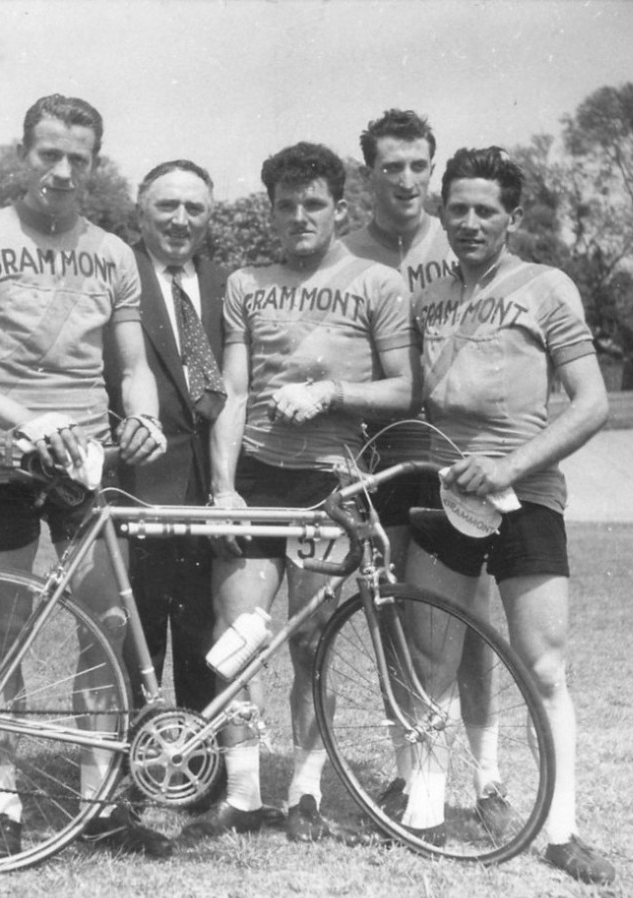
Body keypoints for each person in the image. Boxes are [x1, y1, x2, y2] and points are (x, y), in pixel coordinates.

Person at [0, 94, 170, 860]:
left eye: (79, 158)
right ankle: (2, 796)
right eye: (49, 155)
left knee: (106, 626)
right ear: (22, 153)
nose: (63, 172)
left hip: (86, 465)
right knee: (6, 625)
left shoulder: (113, 251)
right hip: (4, 460)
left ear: (96, 164)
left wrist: (146, 417)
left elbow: (131, 367)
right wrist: (22, 417)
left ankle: (100, 801)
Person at [179, 142, 417, 846]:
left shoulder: (377, 281)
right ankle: (247, 794)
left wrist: (332, 392)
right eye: (285, 205)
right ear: (271, 212)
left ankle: (306, 786)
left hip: (331, 483)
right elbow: (234, 390)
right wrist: (223, 487)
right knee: (239, 638)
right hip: (256, 473)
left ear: (339, 208)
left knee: (311, 639)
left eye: (313, 204)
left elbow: (407, 388)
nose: (299, 216)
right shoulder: (249, 282)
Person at [405, 146, 615, 884]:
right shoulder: (426, 296)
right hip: (445, 495)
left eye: (485, 210)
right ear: (441, 211)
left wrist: (509, 465)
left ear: (512, 217)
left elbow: (592, 404)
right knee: (429, 660)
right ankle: (426, 815)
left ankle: (562, 831)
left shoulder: (547, 286)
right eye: (456, 207)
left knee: (545, 665)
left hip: (527, 495)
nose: (468, 222)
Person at [104, 159, 226, 719]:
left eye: (194, 208)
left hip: (212, 491)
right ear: (140, 211)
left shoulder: (227, 283)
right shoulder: (114, 271)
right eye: (167, 206)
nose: (181, 220)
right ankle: (132, 767)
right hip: (138, 483)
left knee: (207, 637)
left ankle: (199, 765)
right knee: (136, 637)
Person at [343, 108, 457, 571]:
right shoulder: (345, 254)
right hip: (377, 444)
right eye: (391, 167)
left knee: (459, 601)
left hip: (451, 442)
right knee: (387, 590)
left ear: (433, 169)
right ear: (369, 174)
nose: (407, 180)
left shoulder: (460, 246)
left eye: (418, 166)